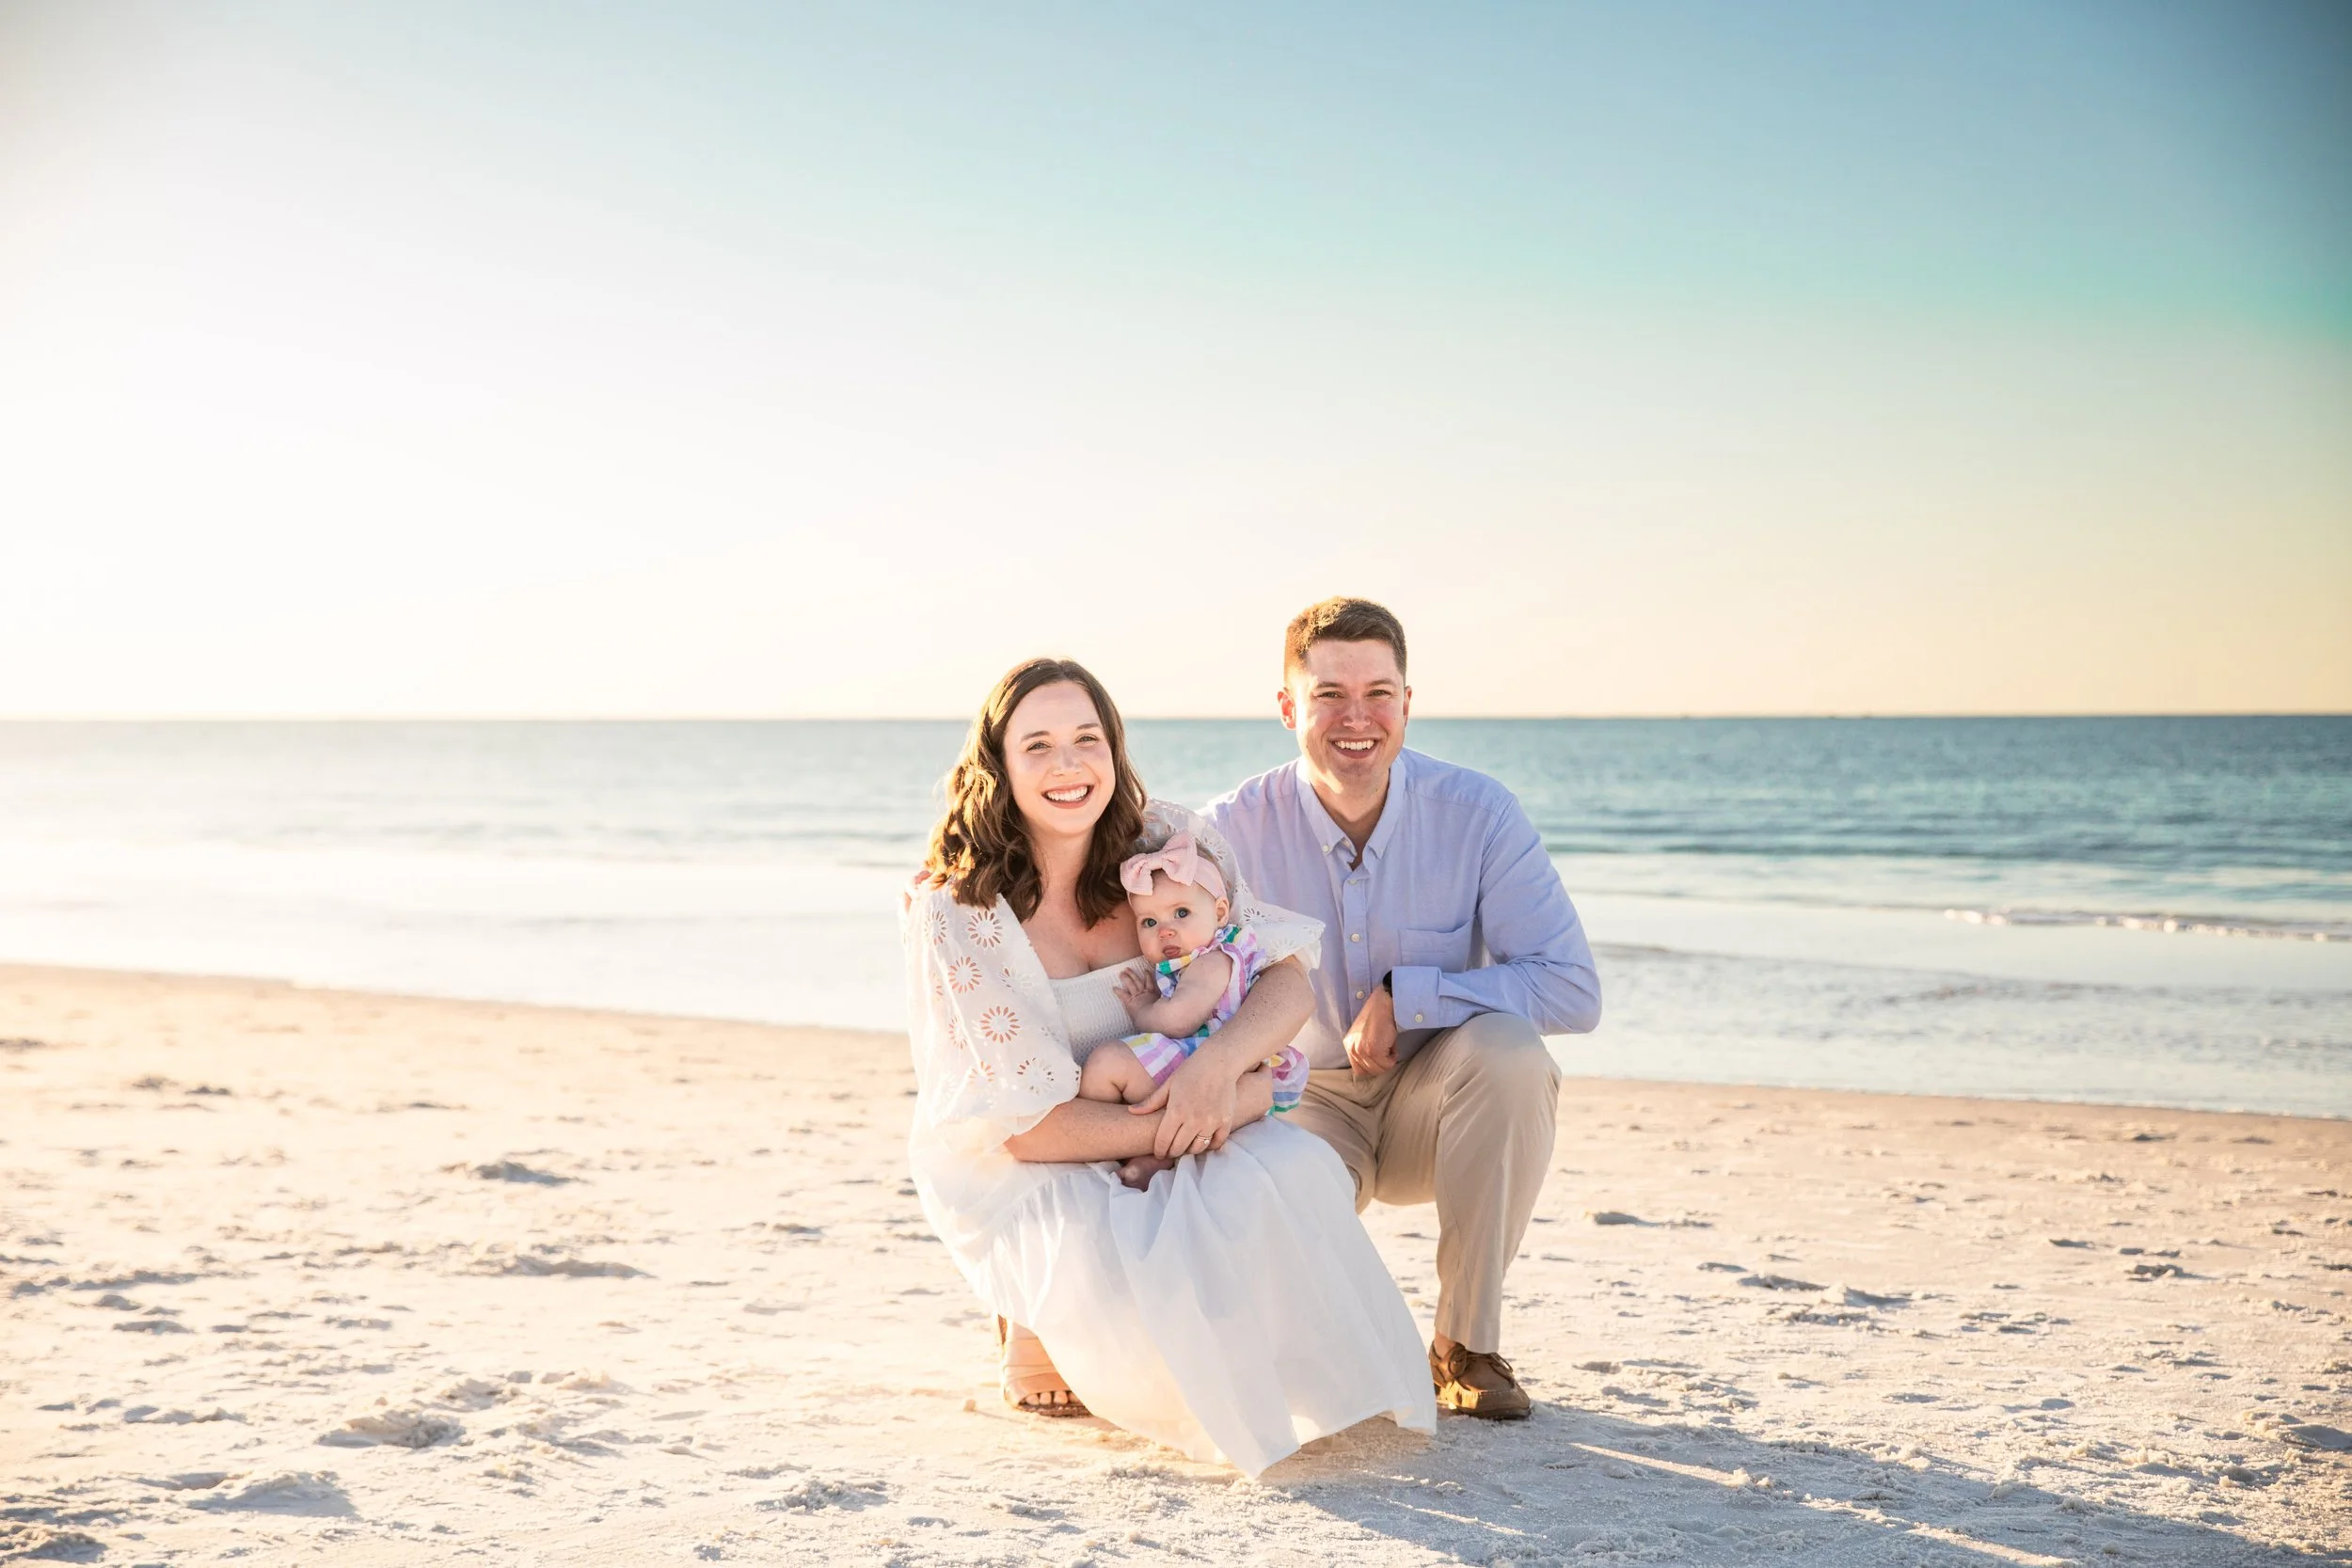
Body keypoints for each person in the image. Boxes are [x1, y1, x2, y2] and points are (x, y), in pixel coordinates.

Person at [901, 655, 1435, 1475]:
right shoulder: (960, 907)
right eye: (1037, 745)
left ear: (1115, 749)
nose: (1069, 764)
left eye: (1088, 738)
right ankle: (1031, 1312)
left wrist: (1218, 1066)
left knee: (1291, 1171)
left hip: (1174, 1093)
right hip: (1038, 1144)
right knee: (1099, 1241)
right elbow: (1025, 1132)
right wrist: (1192, 1109)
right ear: (999, 766)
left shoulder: (1168, 841)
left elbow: (1284, 976)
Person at [1207, 597, 1602, 1421]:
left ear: (1408, 702)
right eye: (1328, 695)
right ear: (1288, 708)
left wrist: (1410, 993)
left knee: (1512, 1050)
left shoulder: (1480, 814)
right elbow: (1132, 931)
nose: (1358, 718)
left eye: (1379, 692)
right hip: (1298, 1104)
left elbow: (1571, 986)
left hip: (1442, 1102)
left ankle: (1465, 1345)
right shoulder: (1226, 833)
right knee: (1303, 1356)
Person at [1076, 832, 1311, 1116]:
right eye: (1149, 921)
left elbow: (1178, 1022)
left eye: (1182, 913)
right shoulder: (1195, 959)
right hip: (1196, 1059)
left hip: (1206, 1062)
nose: (1165, 930)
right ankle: (1145, 1152)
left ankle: (1115, 1142)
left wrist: (1141, 1009)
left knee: (1106, 1064)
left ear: (1221, 912)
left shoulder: (1213, 961)